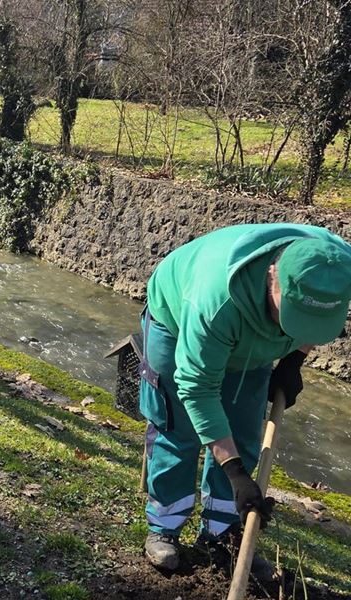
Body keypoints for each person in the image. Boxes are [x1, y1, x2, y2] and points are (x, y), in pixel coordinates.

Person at [140, 223, 351, 572]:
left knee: (243, 434)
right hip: (177, 323)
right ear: (272, 276)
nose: (297, 329)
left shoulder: (337, 266)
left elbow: (316, 319)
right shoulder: (214, 301)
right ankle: (164, 526)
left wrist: (294, 360)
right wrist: (236, 474)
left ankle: (219, 534)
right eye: (292, 316)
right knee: (179, 430)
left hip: (253, 343)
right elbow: (198, 388)